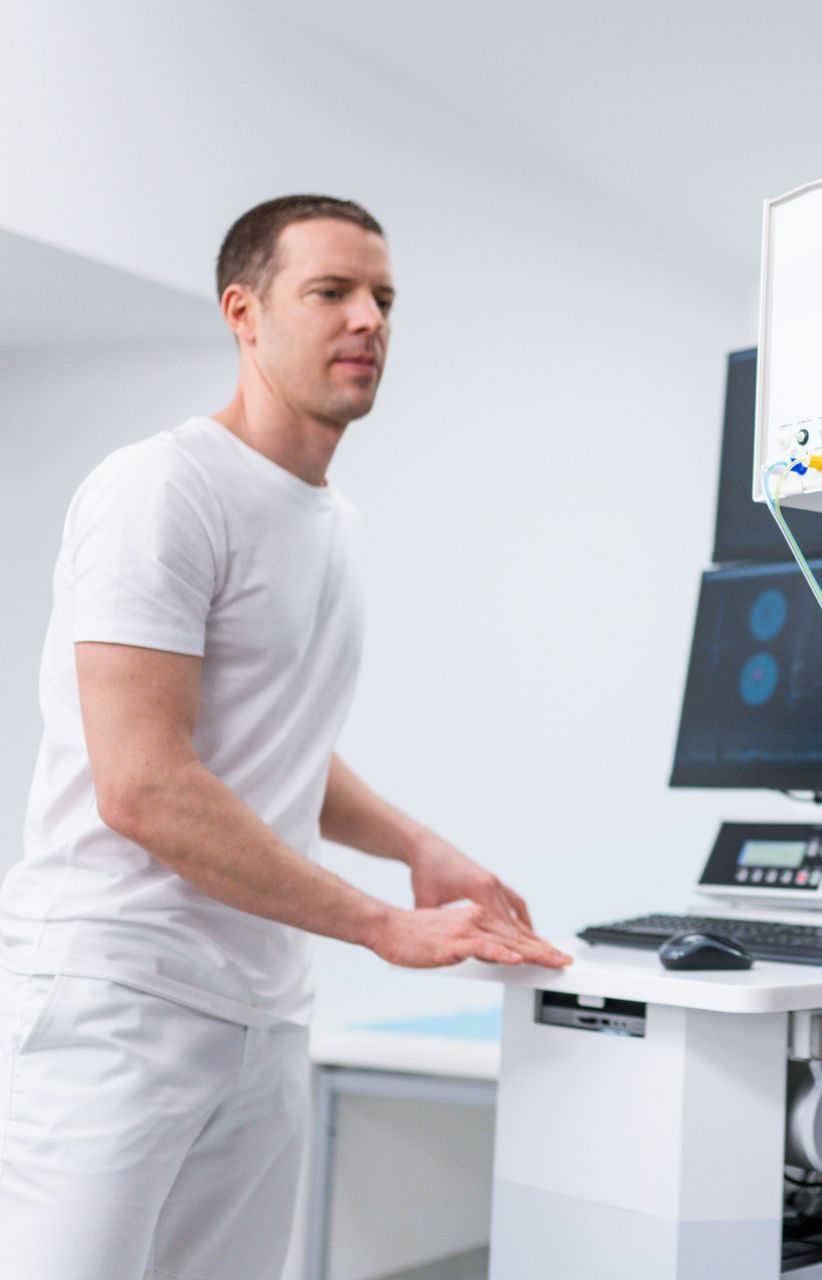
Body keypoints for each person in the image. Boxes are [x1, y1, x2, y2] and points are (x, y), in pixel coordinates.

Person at [0, 194, 571, 1279]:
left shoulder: (332, 524)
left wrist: (416, 845)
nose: (369, 319)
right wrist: (379, 926)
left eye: (385, 298)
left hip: (260, 1010)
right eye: (331, 292)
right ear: (244, 313)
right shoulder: (162, 489)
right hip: (117, 997)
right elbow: (148, 784)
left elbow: (272, 742)